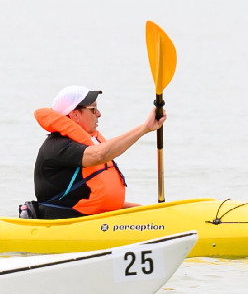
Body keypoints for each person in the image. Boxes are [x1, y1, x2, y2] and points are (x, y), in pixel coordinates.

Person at [28, 85, 163, 218]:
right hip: (63, 224)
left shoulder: (82, 143)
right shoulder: (57, 147)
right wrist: (145, 128)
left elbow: (92, 200)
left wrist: (150, 212)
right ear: (75, 115)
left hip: (89, 219)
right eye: (93, 109)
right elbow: (99, 155)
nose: (99, 114)